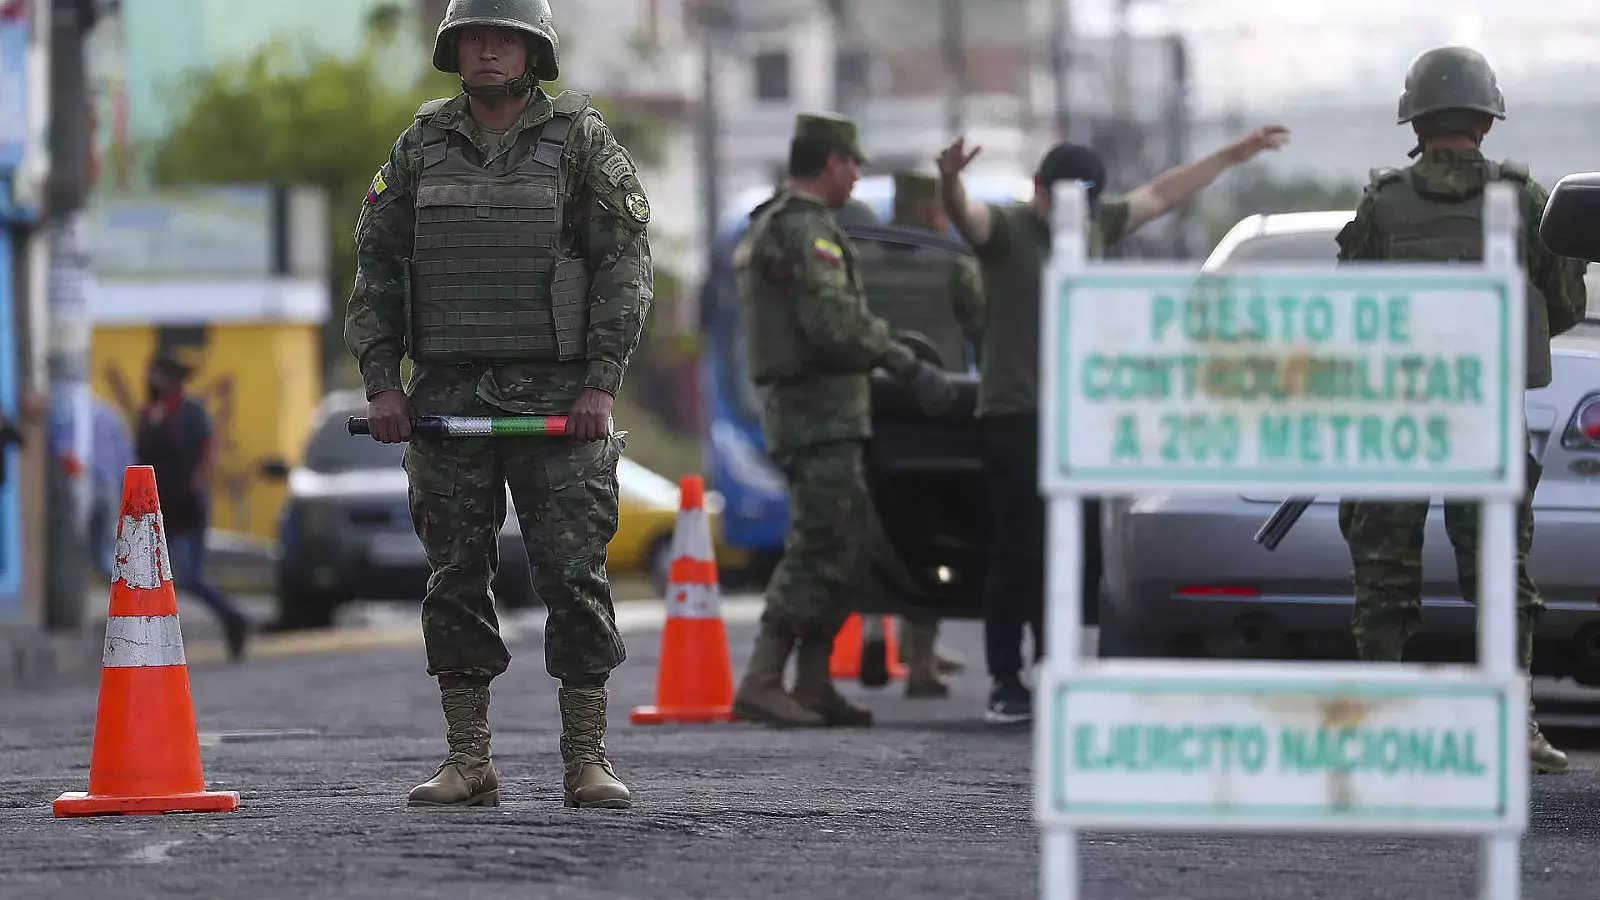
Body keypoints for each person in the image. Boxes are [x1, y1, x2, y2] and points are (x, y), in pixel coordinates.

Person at [344, 0, 652, 809]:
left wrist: (601, 383)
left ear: (532, 53)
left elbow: (624, 265)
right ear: (454, 50)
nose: (486, 52)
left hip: (558, 398)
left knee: (574, 577)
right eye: (472, 38)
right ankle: (468, 758)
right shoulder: (420, 147)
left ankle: (586, 758)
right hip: (446, 391)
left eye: (502, 39)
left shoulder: (581, 142)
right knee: (453, 577)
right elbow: (377, 264)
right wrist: (383, 383)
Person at [937, 123, 1290, 724]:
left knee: (1073, 549)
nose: (1071, 211)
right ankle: (1005, 679)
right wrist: (949, 181)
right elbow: (967, 217)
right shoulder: (1009, 231)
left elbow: (1163, 194)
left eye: (1084, 200)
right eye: (1060, 197)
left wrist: (1235, 153)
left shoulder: (1097, 226)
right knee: (1019, 550)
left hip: (1081, 418)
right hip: (1016, 414)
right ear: (1039, 191)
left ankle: (1056, 668)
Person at [1334, 46, 1587, 775]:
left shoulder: (1381, 203)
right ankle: (1514, 725)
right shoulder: (1522, 199)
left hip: (1396, 417)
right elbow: (1565, 303)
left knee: (1383, 574)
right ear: (1485, 117)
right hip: (1486, 412)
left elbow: (1351, 313)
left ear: (1415, 117)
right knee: (1501, 571)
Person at [729, 112, 958, 728]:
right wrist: (905, 361)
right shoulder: (806, 231)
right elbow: (832, 324)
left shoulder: (782, 223)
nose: (857, 177)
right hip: (817, 412)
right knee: (819, 545)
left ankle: (811, 680)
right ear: (832, 163)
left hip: (816, 410)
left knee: (840, 541)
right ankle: (763, 678)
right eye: (853, 164)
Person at [135, 355, 250, 662]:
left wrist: (200, 480)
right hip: (154, 507)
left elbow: (208, 448)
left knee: (188, 576)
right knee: (152, 579)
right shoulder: (147, 415)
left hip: (187, 505)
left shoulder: (190, 411)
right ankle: (153, 645)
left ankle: (233, 618)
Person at [88, 394, 135, 581]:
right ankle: (116, 581)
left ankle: (106, 576)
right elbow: (126, 453)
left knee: (90, 535)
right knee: (108, 536)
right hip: (109, 481)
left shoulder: (83, 414)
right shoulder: (110, 414)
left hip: (89, 480)